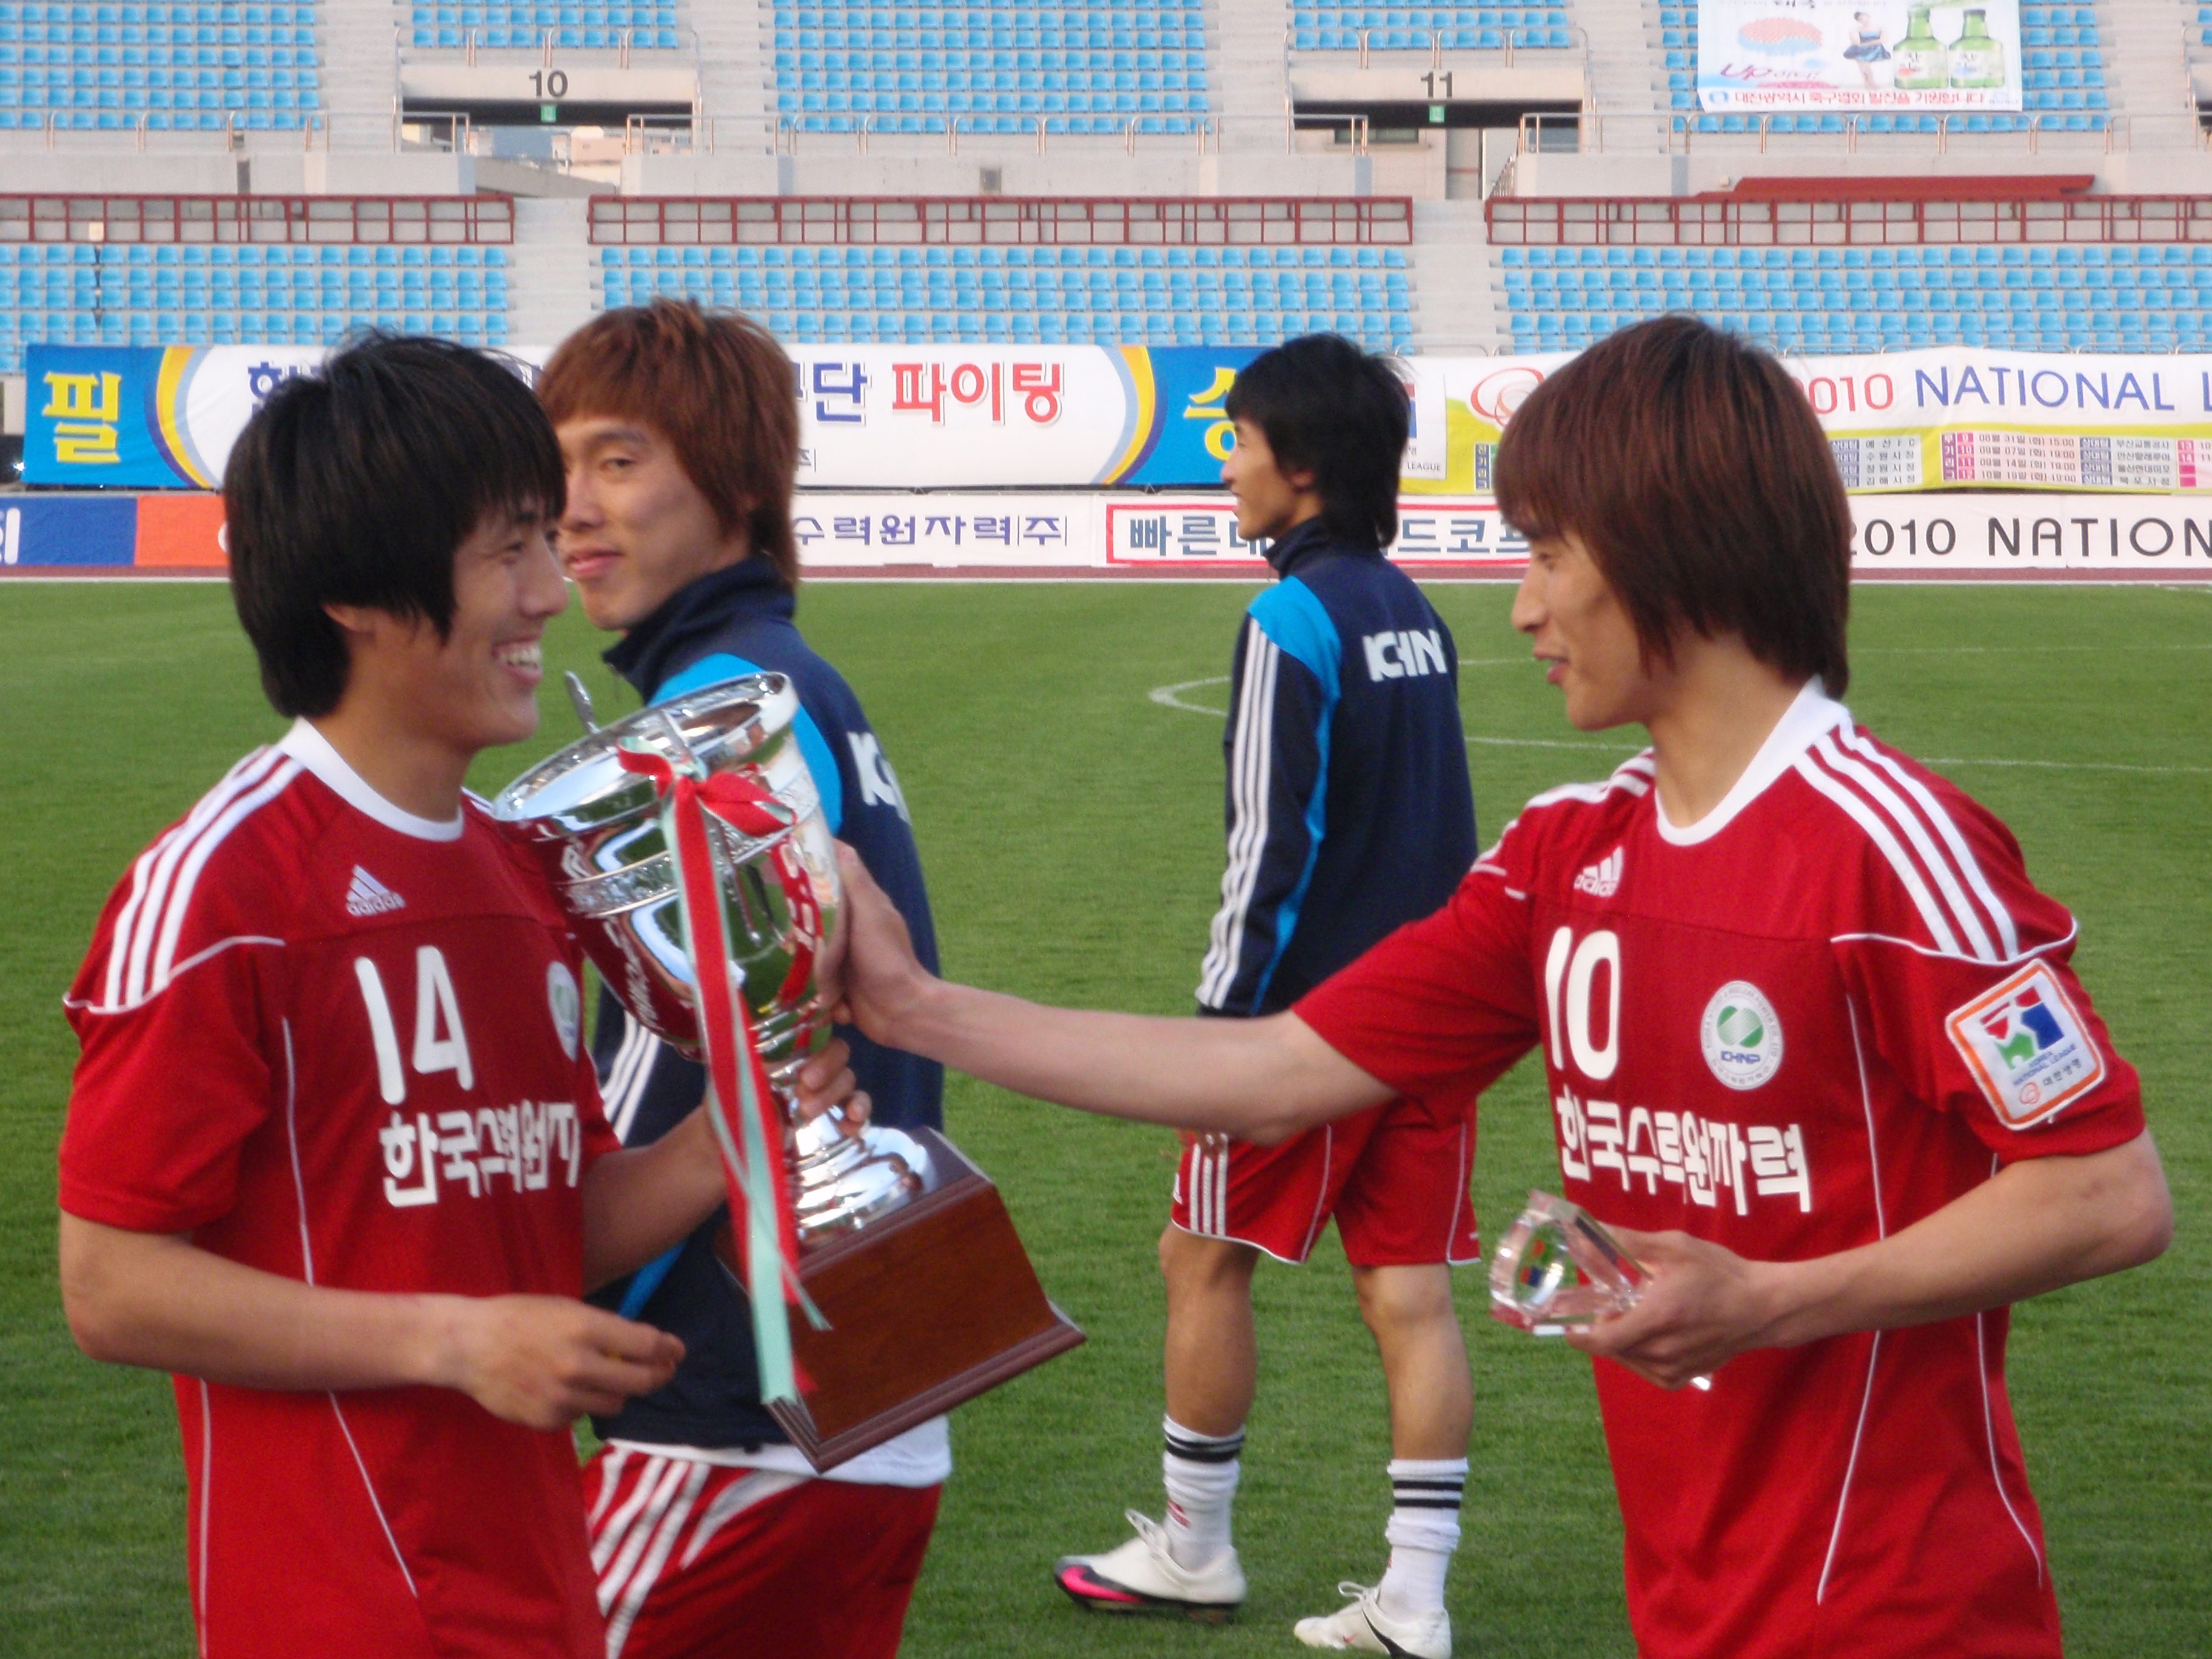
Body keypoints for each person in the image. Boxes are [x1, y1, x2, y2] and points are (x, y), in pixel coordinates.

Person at [824, 316, 2174, 1659]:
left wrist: (1773, 1300)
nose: (1523, 607)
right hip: (1688, 1605)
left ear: (1670, 543)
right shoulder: (1563, 856)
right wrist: (916, 1008)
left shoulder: (1891, 850)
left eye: (1547, 553)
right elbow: (1277, 1070)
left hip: (1897, 1616)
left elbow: (2107, 1192)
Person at [53, 335, 857, 1659]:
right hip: (341, 1614)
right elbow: (111, 1285)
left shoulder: (526, 876)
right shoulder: (224, 890)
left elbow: (545, 1230)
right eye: (509, 552)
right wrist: (454, 1343)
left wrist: (737, 1126)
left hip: (538, 1591)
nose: (550, 592)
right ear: (359, 595)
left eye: (547, 542)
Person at [1050, 334, 1483, 1658]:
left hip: (1307, 1027)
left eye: (1238, 442)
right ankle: (1415, 1599)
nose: (1226, 466)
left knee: (1200, 1256)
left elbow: (1267, 851)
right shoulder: (1415, 610)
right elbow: (1446, 832)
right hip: (1429, 1012)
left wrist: (1219, 1038)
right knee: (1407, 1291)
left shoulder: (1289, 619)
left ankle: (1194, 1549)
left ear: (1300, 466)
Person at [535, 299, 947, 1659]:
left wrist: (545, 1288)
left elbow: (676, 1073)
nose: (572, 509)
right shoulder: (792, 681)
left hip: (733, 1404)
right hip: (864, 1378)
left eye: (618, 461)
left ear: (737, 486)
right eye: (557, 468)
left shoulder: (718, 718)